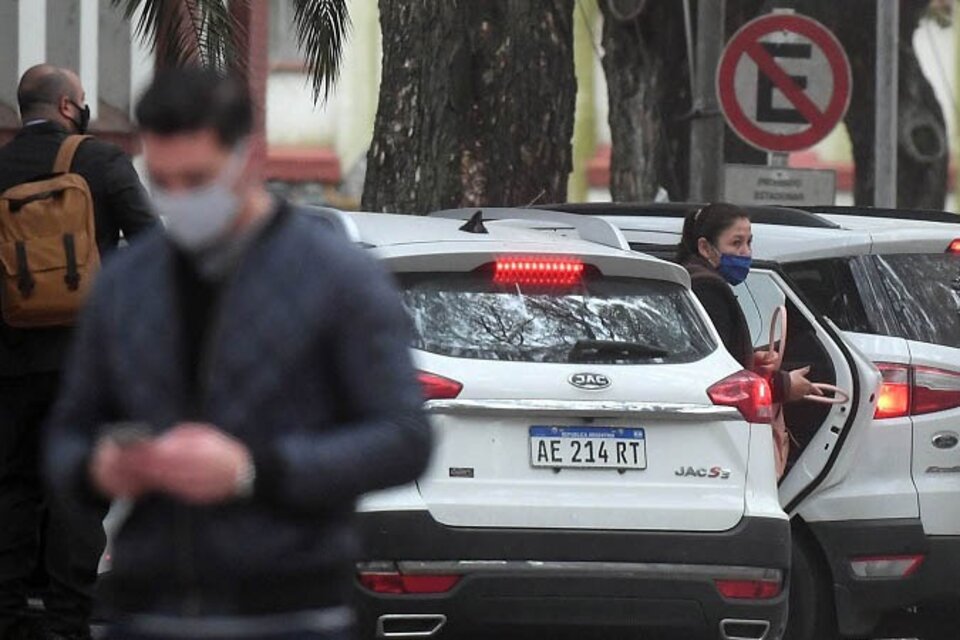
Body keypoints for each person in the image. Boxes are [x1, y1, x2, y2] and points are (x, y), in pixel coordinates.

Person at [43, 68, 432, 640]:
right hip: (147, 606)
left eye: (197, 179)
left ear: (248, 159)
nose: (179, 199)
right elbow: (65, 434)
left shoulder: (337, 279)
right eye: (163, 180)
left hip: (289, 608)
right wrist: (97, 466)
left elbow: (403, 437)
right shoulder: (127, 283)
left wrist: (254, 471)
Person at [0, 64, 155, 639]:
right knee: (77, 491)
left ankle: (8, 616)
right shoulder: (100, 161)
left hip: (10, 364)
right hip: (86, 365)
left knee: (11, 488)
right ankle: (69, 621)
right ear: (68, 106)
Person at [677, 202, 819, 402]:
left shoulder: (694, 279)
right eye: (736, 243)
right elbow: (720, 370)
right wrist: (784, 385)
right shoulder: (707, 289)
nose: (746, 252)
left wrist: (750, 357)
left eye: (748, 242)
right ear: (705, 248)